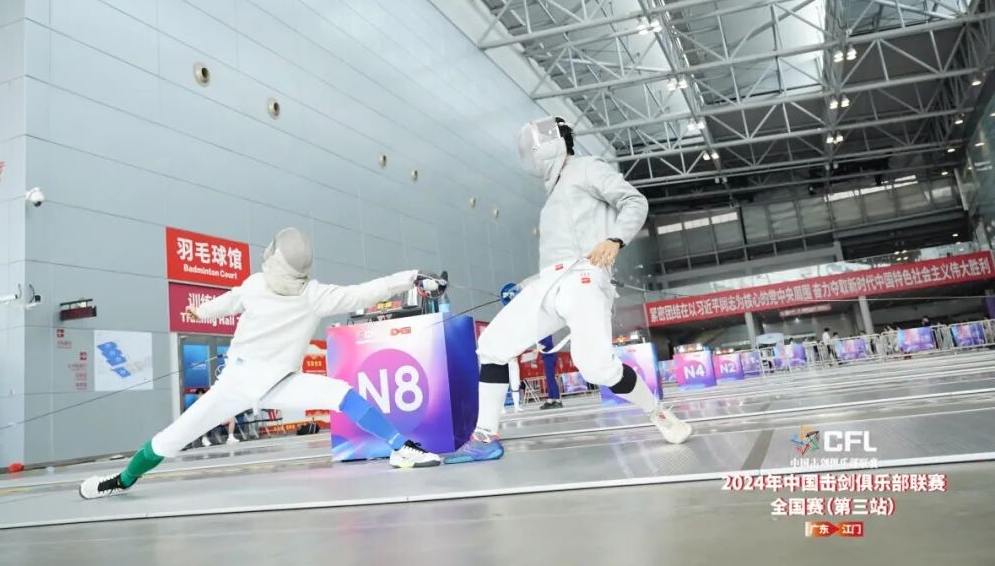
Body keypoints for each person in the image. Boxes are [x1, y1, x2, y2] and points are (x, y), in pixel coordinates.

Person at [80, 228, 444, 499]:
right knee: (171, 438)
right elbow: (362, 291)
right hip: (237, 383)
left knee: (341, 393)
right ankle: (120, 481)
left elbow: (362, 293)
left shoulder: (301, 293)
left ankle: (401, 447)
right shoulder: (280, 290)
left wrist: (411, 279)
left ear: (274, 259)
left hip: (278, 381)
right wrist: (411, 277)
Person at [446, 117, 691, 464]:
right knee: (492, 347)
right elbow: (558, 261)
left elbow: (634, 201)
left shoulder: (588, 167)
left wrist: (615, 239)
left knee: (596, 369)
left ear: (553, 142)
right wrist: (524, 286)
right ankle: (485, 437)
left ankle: (657, 411)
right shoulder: (553, 194)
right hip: (550, 283)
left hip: (585, 279)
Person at [538, 335, 563, 409]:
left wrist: (537, 349)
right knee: (549, 379)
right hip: (548, 356)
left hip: (549, 357)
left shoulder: (546, 332)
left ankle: (558, 400)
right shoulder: (542, 333)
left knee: (551, 379)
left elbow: (547, 343)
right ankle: (550, 400)